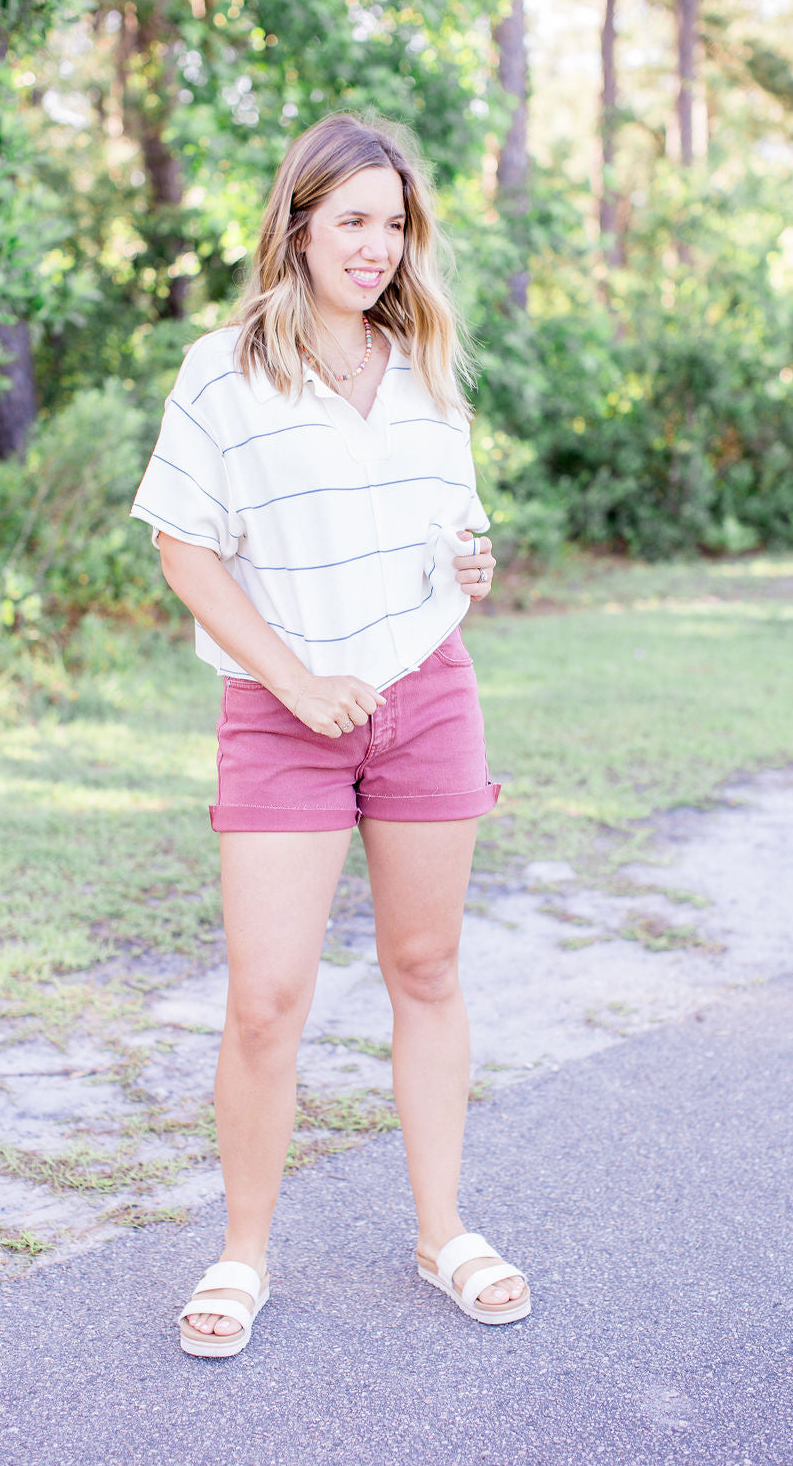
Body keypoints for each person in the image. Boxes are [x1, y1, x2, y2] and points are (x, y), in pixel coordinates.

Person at [131, 113, 530, 1358]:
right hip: (282, 713)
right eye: (352, 220)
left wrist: (467, 561)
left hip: (427, 701)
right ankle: (243, 1252)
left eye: (395, 223)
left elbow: (450, 534)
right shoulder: (224, 370)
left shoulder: (425, 364)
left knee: (427, 971)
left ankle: (442, 1233)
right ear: (296, 223)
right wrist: (299, 682)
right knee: (267, 999)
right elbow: (182, 548)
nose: (376, 246)